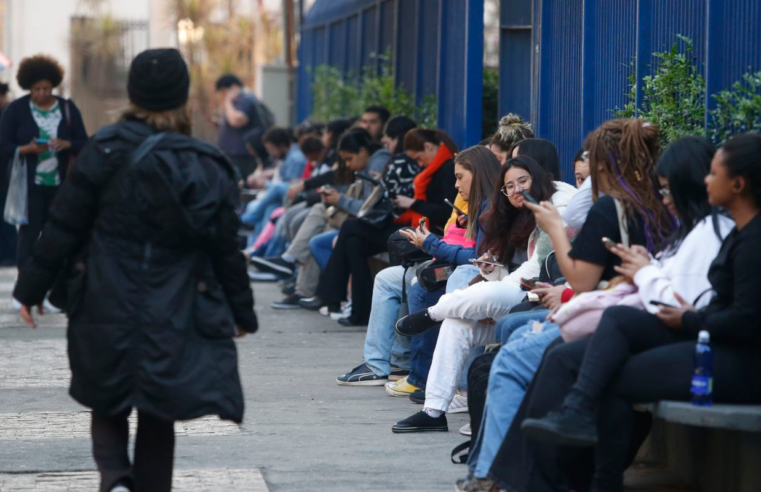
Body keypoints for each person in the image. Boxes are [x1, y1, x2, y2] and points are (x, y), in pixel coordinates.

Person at [12, 48, 257, 492]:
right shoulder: (205, 162)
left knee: (106, 396)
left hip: (104, 292)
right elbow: (225, 248)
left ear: (133, 94)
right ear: (181, 96)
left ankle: (115, 476)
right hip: (176, 301)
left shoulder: (103, 149)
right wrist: (241, 311)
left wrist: (31, 289)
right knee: (157, 405)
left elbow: (64, 224)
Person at [465, 136, 731, 492]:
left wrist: (556, 231)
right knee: (527, 346)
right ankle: (510, 473)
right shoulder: (683, 223)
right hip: (629, 320)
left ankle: (503, 477)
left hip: (657, 331)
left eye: (590, 169)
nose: (586, 178)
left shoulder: (626, 211)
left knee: (521, 355)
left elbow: (598, 282)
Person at [392, 155, 577, 433]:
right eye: (509, 186)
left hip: (536, 297)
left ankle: (433, 313)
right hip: (512, 295)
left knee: (484, 294)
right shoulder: (510, 214)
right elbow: (501, 267)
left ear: (537, 179)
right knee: (457, 324)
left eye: (522, 181)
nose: (516, 191)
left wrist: (496, 286)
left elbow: (536, 267)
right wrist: (491, 269)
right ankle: (433, 410)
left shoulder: (551, 209)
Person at [335, 146, 500, 385]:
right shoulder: (475, 201)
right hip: (447, 259)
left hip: (464, 268)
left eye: (459, 177)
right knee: (386, 278)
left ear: (479, 172)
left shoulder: (492, 205)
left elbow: (477, 258)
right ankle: (380, 364)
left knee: (420, 284)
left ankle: (425, 376)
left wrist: (430, 243)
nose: (456, 184)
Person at [303, 129, 459, 325]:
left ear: (428, 147)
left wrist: (412, 204)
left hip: (428, 234)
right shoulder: (433, 167)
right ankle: (357, 312)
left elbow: (445, 212)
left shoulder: (446, 169)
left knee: (351, 228)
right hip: (415, 227)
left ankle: (330, 296)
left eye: (419, 157)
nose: (419, 163)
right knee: (353, 243)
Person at [253, 129, 390, 306]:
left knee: (318, 230)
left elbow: (370, 209)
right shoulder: (365, 164)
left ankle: (297, 272)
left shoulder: (377, 162)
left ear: (362, 151)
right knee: (314, 225)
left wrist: (339, 199)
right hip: (354, 221)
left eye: (349, 159)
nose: (347, 165)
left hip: (365, 224)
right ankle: (299, 280)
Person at [0, 54, 88, 272]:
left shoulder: (67, 108)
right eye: (36, 89)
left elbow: (83, 142)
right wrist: (25, 149)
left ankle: (55, 290)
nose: (41, 93)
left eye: (46, 88)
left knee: (59, 236)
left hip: (62, 184)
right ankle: (25, 288)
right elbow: (3, 145)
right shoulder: (17, 109)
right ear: (29, 87)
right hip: (30, 185)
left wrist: (66, 144)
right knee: (28, 236)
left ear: (53, 86)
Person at [214, 73, 272, 179]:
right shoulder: (243, 99)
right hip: (237, 155)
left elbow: (238, 120)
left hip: (241, 156)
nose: (222, 96)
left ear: (233, 87)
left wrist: (227, 102)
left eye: (223, 92)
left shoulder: (243, 99)